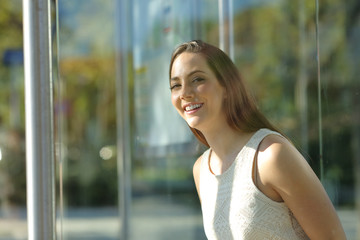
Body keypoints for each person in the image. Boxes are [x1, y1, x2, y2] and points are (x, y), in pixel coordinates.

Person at [169, 40, 346, 240]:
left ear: (227, 86)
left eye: (197, 79)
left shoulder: (271, 155)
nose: (185, 93)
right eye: (176, 85)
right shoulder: (201, 170)